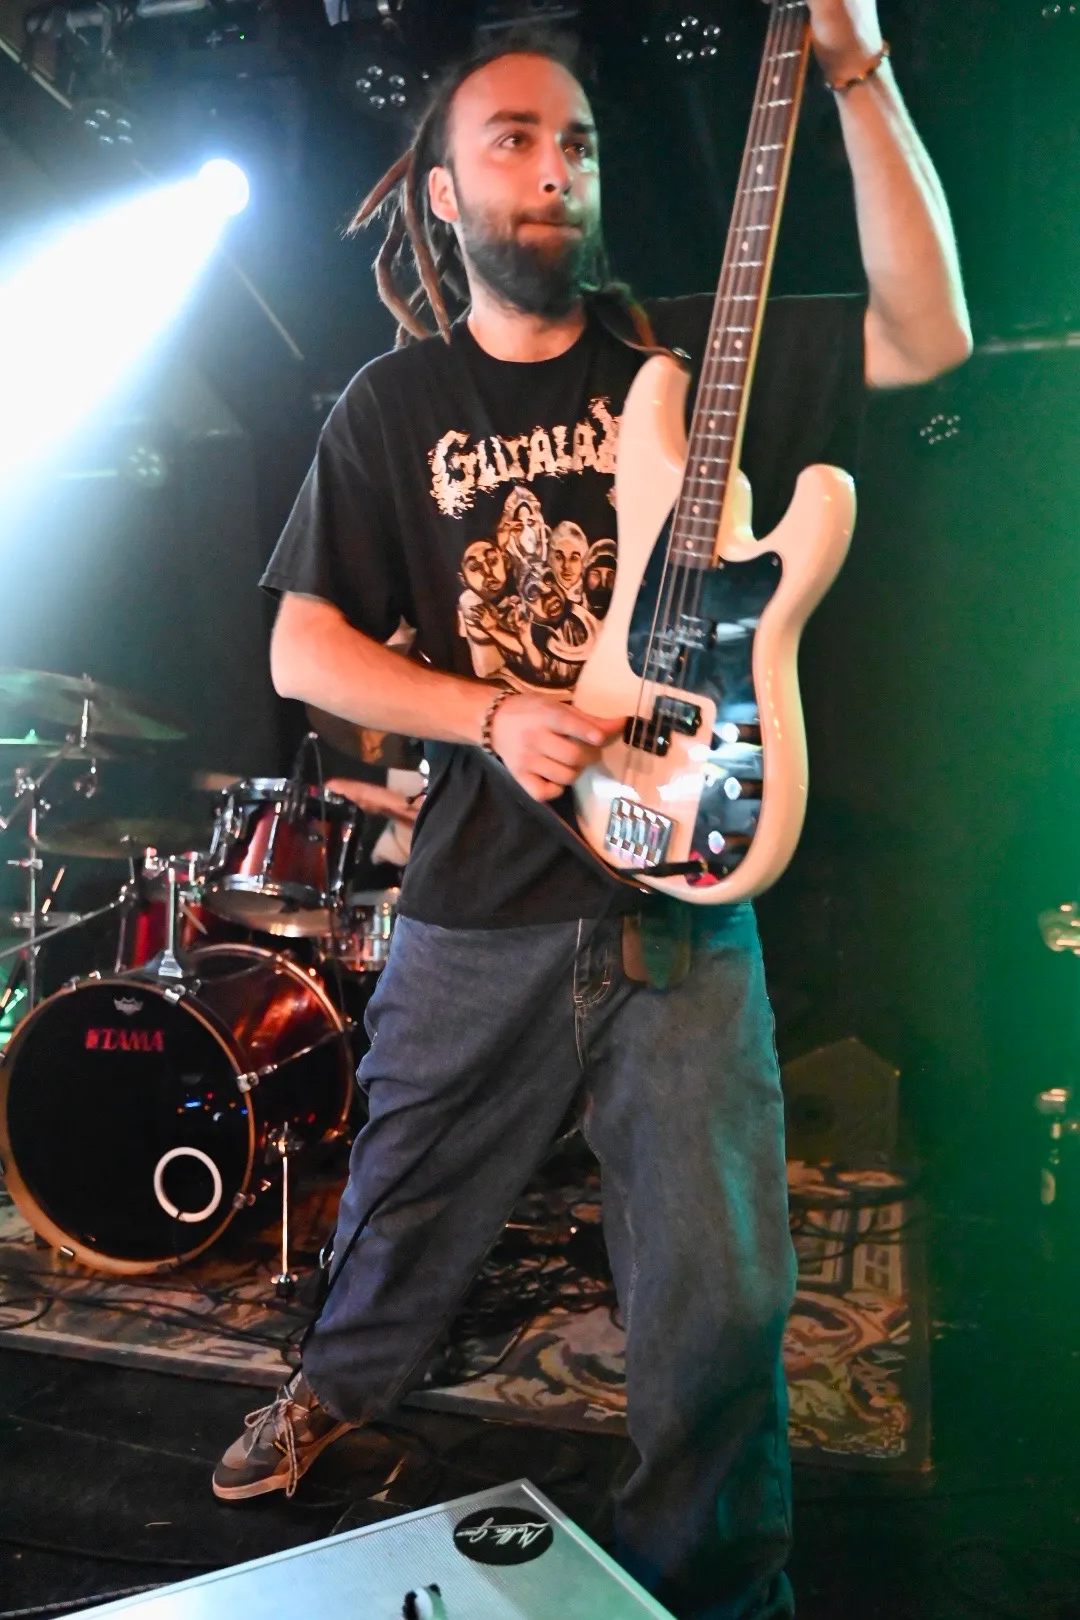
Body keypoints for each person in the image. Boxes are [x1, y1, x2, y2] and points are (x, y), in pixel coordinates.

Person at [213, 15, 970, 1619]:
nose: (554, 168)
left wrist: (858, 72)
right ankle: (333, 1389)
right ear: (442, 192)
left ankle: (711, 1583)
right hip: (478, 896)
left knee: (720, 1299)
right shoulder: (395, 402)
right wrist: (491, 713)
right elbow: (303, 648)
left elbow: (928, 332)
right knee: (400, 1212)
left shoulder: (692, 355)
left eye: (578, 143)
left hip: (681, 885)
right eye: (512, 140)